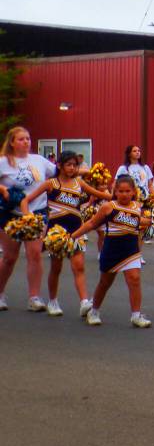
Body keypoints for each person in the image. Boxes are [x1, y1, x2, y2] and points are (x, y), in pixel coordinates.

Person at [19, 151, 111, 316]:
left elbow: (101, 195)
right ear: (60, 166)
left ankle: (84, 302)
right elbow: (26, 200)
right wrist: (28, 218)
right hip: (57, 232)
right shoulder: (51, 184)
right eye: (68, 164)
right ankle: (53, 301)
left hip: (76, 230)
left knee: (79, 266)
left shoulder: (79, 183)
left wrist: (122, 197)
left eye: (75, 165)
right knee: (56, 268)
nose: (72, 168)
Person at [70, 176, 151, 328]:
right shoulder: (109, 207)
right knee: (105, 282)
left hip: (131, 249)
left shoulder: (138, 207)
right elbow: (92, 223)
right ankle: (94, 311)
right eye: (121, 191)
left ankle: (136, 315)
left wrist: (153, 221)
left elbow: (140, 223)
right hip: (112, 249)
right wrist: (73, 236)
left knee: (134, 279)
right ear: (115, 192)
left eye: (128, 191)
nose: (124, 194)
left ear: (134, 192)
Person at [0, 126, 57, 312]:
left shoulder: (39, 160)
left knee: (34, 254)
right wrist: (3, 190)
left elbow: (58, 173)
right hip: (12, 213)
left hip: (36, 211)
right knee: (9, 257)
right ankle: (0, 294)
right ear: (12, 142)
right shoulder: (4, 162)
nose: (26, 142)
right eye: (22, 139)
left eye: (28, 138)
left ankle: (34, 297)